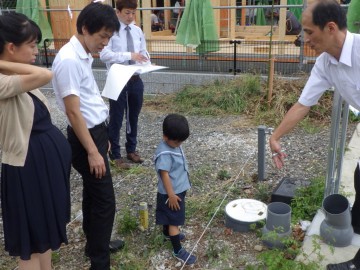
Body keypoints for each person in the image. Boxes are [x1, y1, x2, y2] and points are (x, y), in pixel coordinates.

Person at [268, 0, 360, 269]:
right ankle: (357, 220)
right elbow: (303, 104)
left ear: (330, 27)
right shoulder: (326, 63)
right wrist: (275, 137)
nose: (304, 38)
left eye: (308, 32)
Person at [51, 3, 123, 270]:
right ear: (84, 28)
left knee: (94, 195)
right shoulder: (69, 59)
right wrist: (92, 150)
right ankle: (99, 262)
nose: (104, 43)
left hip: (94, 132)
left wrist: (100, 136)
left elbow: (86, 102)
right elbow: (72, 112)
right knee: (105, 201)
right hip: (85, 137)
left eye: (108, 38)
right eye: (102, 36)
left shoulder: (81, 53)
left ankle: (96, 245)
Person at [0, 13, 71, 270]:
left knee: (44, 237)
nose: (35, 51)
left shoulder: (15, 80)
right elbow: (45, 75)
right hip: (26, 170)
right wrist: (3, 64)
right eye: (31, 45)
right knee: (30, 244)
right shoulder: (3, 81)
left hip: (41, 166)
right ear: (11, 48)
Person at [100, 0, 149, 169]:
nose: (130, 16)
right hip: (118, 79)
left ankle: (131, 149)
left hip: (135, 79)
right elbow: (104, 55)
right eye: (127, 12)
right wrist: (129, 55)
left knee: (133, 116)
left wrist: (145, 60)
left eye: (133, 13)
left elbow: (143, 51)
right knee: (116, 118)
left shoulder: (137, 31)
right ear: (118, 12)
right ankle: (114, 154)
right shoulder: (111, 31)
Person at [154, 114, 196, 265]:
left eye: (181, 141)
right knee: (174, 221)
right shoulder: (164, 152)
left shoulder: (172, 144)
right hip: (172, 193)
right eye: (177, 141)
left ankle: (167, 234)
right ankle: (178, 250)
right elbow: (164, 174)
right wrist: (171, 194)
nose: (179, 144)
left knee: (169, 215)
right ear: (165, 137)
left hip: (177, 190)